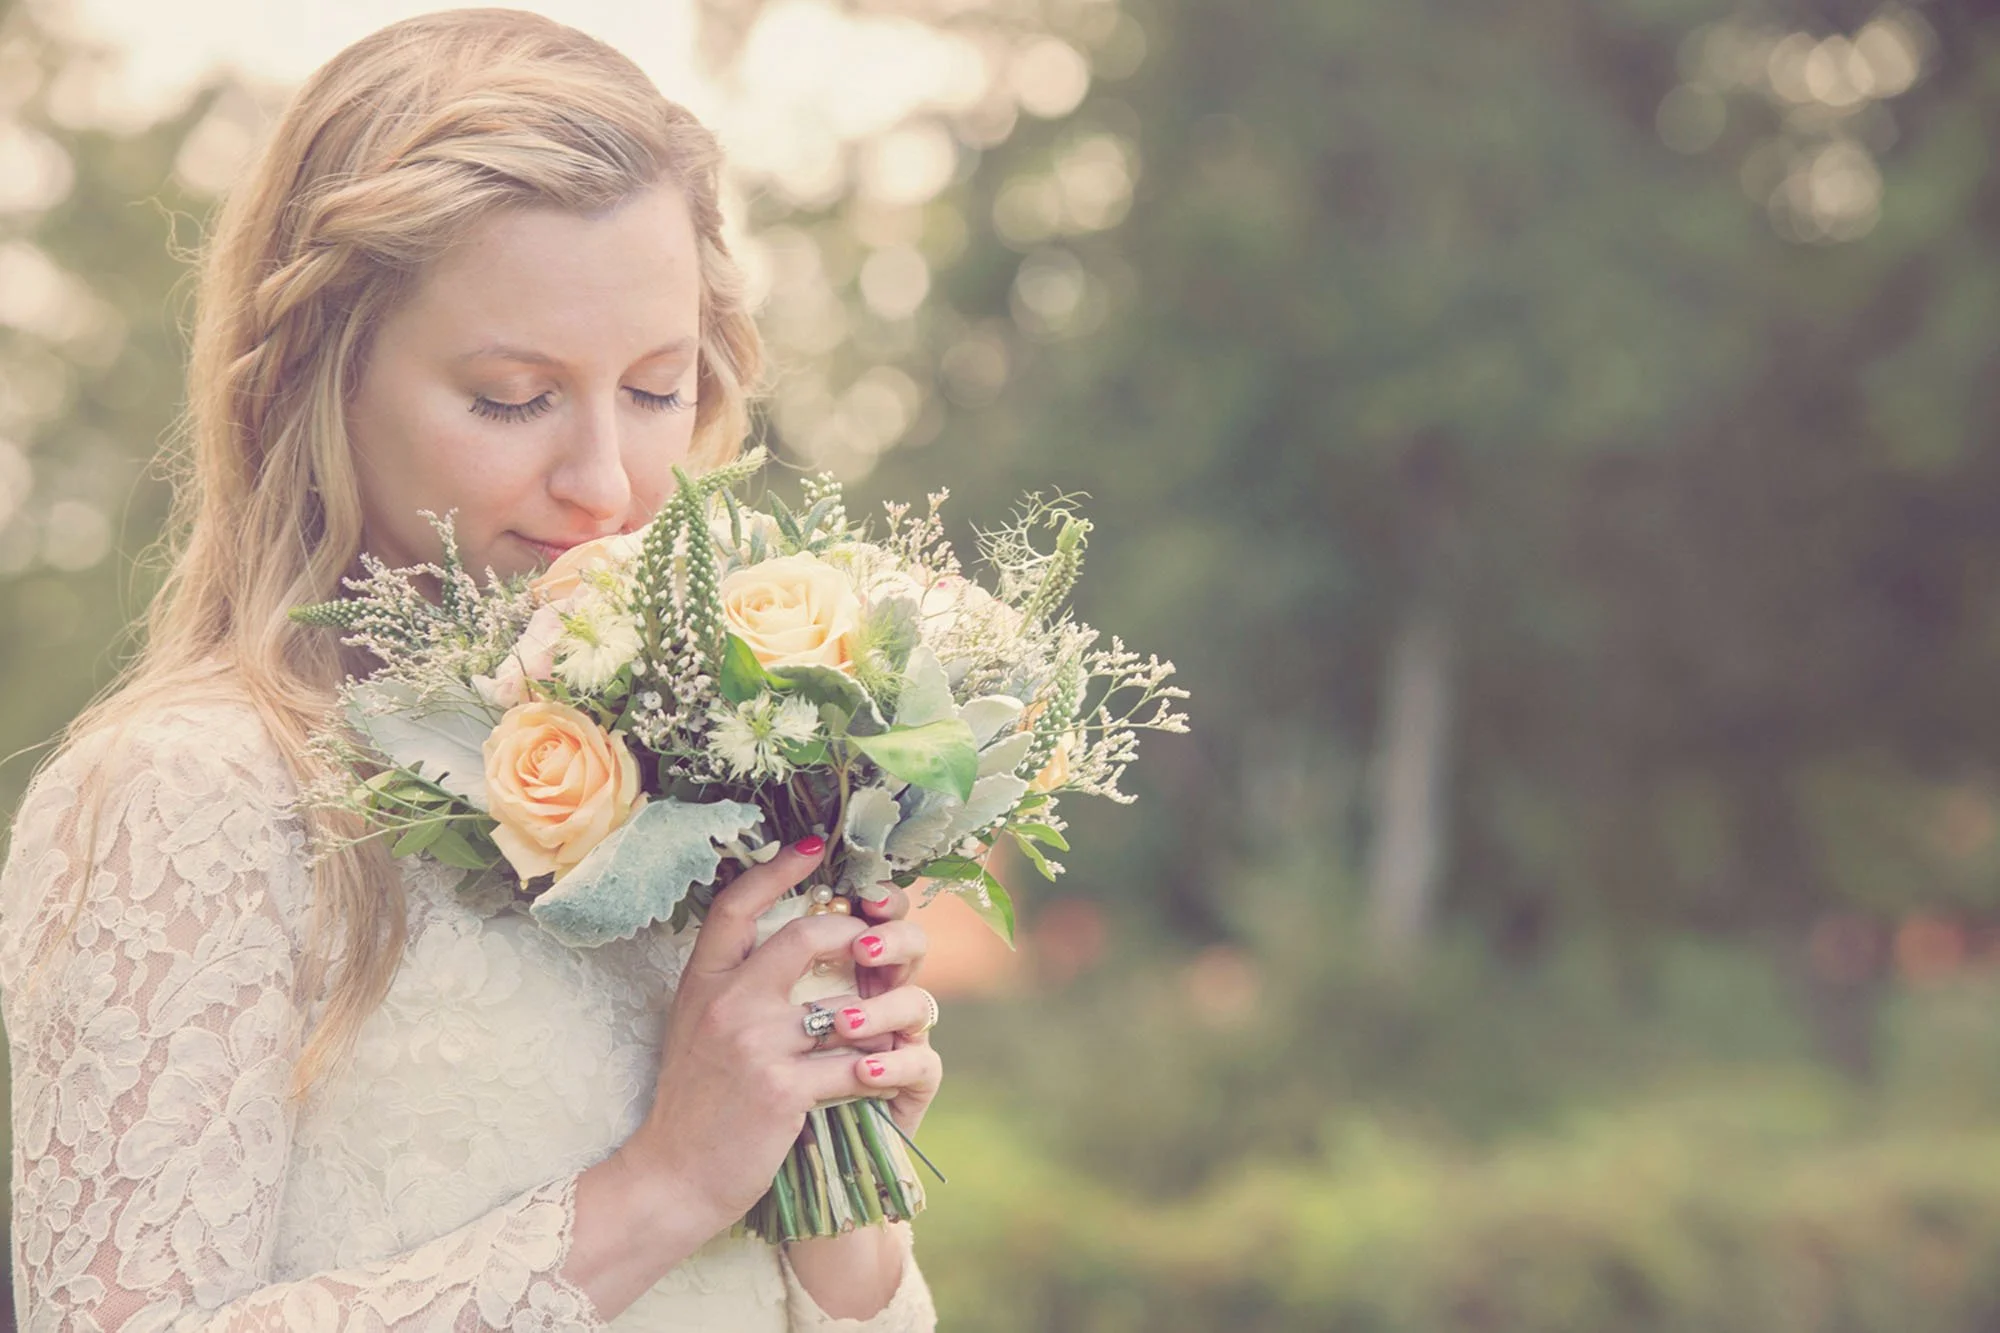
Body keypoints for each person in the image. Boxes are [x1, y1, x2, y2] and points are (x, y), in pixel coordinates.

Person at [0, 10, 943, 1329]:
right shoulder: (189, 796)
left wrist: (843, 1203)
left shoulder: (706, 765)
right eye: (513, 397)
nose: (607, 485)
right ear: (313, 384)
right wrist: (665, 1185)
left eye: (659, 386)